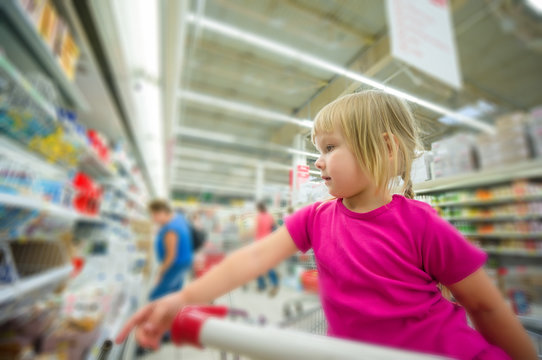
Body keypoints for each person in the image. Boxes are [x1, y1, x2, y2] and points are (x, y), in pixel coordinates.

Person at [117, 91, 536, 360]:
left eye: (330, 148)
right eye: (318, 150)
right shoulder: (316, 218)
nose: (317, 161)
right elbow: (253, 257)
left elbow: (485, 305)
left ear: (385, 148)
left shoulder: (422, 224)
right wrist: (181, 298)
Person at [147, 200, 194, 301]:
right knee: (174, 293)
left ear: (162, 212)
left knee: (156, 297)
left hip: (174, 265)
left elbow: (171, 256)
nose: (153, 218)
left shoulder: (171, 230)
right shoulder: (178, 218)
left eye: (154, 214)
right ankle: (172, 314)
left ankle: (160, 314)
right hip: (184, 262)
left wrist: (160, 272)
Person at [254, 202, 279, 296]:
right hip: (269, 242)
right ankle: (274, 282)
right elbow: (275, 227)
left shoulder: (258, 216)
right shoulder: (269, 216)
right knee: (269, 265)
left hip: (260, 243)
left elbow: (255, 229)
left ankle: (261, 285)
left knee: (258, 265)